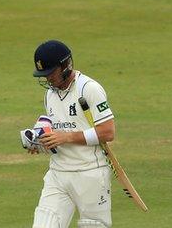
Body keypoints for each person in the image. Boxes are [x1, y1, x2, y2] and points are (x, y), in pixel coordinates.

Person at [30, 40, 116, 228]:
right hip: (58, 174)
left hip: (90, 173)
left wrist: (67, 137)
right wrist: (40, 142)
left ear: (65, 66)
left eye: (50, 73)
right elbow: (57, 131)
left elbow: (108, 131)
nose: (48, 79)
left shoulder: (89, 89)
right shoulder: (50, 95)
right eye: (44, 75)